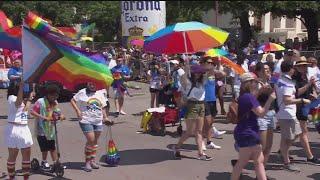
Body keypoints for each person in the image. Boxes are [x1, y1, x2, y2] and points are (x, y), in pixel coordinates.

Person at [231, 72, 276, 180]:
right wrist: (270, 99)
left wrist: (261, 91)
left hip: (246, 131)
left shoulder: (244, 96)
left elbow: (253, 99)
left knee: (258, 161)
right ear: (249, 83)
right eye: (255, 81)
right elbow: (261, 113)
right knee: (243, 162)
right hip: (248, 133)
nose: (257, 83)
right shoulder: (249, 97)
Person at [275, 60, 310, 172]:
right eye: (294, 68)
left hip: (285, 114)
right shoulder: (288, 82)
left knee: (295, 135)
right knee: (289, 139)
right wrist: (302, 100)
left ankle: (283, 153)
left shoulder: (280, 79)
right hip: (287, 114)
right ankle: (286, 161)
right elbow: (287, 100)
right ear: (291, 69)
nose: (294, 70)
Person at [173, 63, 212, 161]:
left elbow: (210, 71)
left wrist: (207, 65)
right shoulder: (187, 81)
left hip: (201, 105)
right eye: (196, 72)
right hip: (192, 105)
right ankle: (177, 147)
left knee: (199, 131)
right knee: (190, 131)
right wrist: (187, 70)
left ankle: (200, 153)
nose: (198, 74)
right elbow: (182, 78)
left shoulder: (202, 81)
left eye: (199, 72)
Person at [70, 82, 113, 172]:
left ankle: (92, 160)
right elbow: (72, 100)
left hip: (98, 120)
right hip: (85, 119)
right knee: (91, 140)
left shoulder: (101, 93)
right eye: (90, 84)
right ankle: (87, 162)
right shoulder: (82, 92)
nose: (92, 85)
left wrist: (105, 118)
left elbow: (103, 107)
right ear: (87, 84)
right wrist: (78, 111)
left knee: (95, 141)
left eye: (94, 83)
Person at [292, 57, 320, 165]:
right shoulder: (295, 78)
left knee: (299, 132)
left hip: (311, 104)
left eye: (305, 65)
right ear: (297, 67)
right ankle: (310, 156)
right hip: (300, 106)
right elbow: (297, 93)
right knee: (303, 131)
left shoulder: (306, 76)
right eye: (302, 66)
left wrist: (314, 92)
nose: (304, 67)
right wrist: (309, 84)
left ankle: (284, 146)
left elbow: (314, 90)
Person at [30, 83, 65, 170]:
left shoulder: (54, 102)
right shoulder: (40, 101)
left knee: (52, 147)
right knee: (45, 148)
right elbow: (32, 112)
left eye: (56, 96)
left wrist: (61, 116)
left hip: (51, 129)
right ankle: (44, 162)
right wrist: (44, 117)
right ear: (48, 94)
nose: (55, 98)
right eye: (54, 96)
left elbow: (57, 112)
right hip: (41, 129)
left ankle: (56, 163)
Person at [5, 82, 34, 180]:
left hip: (24, 128)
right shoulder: (11, 97)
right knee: (13, 154)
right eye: (21, 86)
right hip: (13, 128)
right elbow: (17, 103)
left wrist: (30, 97)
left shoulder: (23, 99)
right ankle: (12, 178)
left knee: (26, 154)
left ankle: (26, 178)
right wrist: (21, 87)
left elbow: (24, 110)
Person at [202, 57, 226, 150]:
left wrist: (219, 64)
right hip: (204, 100)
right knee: (206, 123)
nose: (210, 64)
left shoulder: (213, 73)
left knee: (210, 123)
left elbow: (223, 74)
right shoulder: (202, 73)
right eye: (208, 62)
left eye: (212, 63)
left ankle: (209, 142)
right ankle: (202, 142)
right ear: (203, 63)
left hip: (212, 100)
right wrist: (209, 71)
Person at [255, 62, 275, 166]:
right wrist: (260, 90)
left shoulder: (271, 83)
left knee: (268, 146)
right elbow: (251, 99)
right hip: (261, 115)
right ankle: (241, 161)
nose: (266, 71)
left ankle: (263, 171)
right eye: (264, 70)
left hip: (271, 114)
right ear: (258, 72)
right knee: (261, 146)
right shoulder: (255, 83)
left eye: (268, 70)